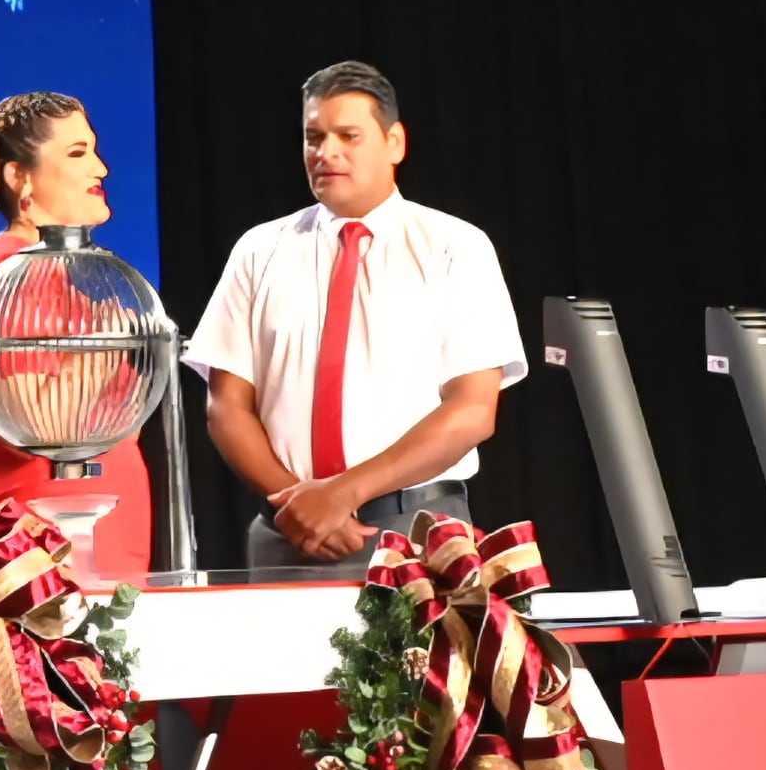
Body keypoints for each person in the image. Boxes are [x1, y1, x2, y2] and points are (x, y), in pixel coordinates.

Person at [190, 62, 524, 570]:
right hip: (287, 530)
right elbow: (226, 408)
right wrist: (301, 505)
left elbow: (473, 411)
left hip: (416, 529)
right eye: (313, 137)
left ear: (395, 143)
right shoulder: (259, 250)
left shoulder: (455, 246)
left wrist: (343, 494)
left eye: (348, 135)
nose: (326, 153)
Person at [0, 91, 156, 579]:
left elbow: (119, 423)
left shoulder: (56, 273)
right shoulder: (10, 272)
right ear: (20, 177)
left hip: (99, 520)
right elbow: (27, 423)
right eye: (78, 154)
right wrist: (111, 340)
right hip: (55, 530)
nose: (101, 170)